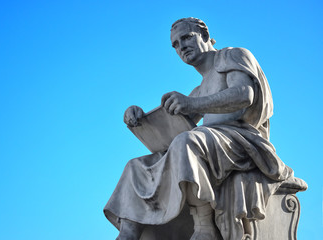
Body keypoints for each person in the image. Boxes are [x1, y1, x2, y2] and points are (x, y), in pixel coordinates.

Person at [104, 17, 299, 240]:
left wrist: (192, 104)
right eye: (175, 44)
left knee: (187, 141)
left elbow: (245, 94)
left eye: (187, 37)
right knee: (137, 166)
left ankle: (204, 225)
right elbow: (176, 123)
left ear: (205, 36)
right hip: (212, 143)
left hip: (244, 141)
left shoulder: (232, 55)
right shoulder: (199, 89)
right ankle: (129, 232)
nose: (181, 47)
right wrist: (139, 116)